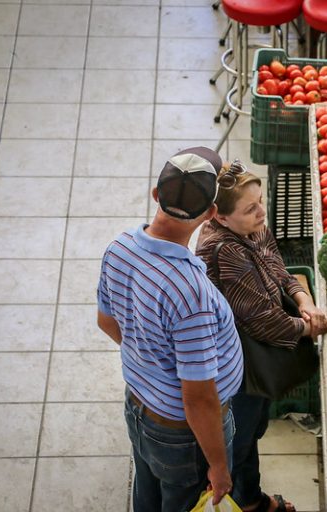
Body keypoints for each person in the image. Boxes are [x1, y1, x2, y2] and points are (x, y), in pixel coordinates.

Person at [96, 147, 244, 511]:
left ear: (157, 194)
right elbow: (198, 398)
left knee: (147, 488)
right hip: (182, 433)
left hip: (140, 406)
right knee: (182, 500)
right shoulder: (188, 289)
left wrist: (149, 360)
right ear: (210, 214)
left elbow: (106, 321)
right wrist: (219, 466)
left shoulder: (120, 247)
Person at [196, 161, 327, 512]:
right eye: (250, 208)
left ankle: (246, 489)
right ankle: (248, 500)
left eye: (260, 202)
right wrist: (309, 327)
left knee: (253, 426)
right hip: (237, 359)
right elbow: (262, 322)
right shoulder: (225, 250)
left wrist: (304, 300)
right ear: (220, 218)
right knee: (239, 436)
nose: (261, 213)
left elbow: (276, 264)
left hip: (256, 345)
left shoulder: (250, 226)